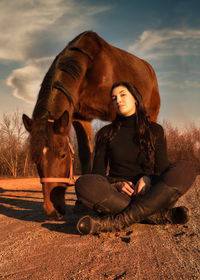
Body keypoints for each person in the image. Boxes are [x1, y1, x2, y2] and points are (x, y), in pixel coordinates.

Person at [75, 82, 196, 235]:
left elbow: (163, 170)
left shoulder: (155, 130)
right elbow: (98, 175)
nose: (118, 100)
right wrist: (116, 184)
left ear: (135, 99)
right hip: (118, 197)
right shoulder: (105, 134)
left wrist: (149, 178)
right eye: (114, 98)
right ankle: (159, 216)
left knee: (186, 169)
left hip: (153, 194)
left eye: (123, 95)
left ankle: (117, 222)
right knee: (84, 183)